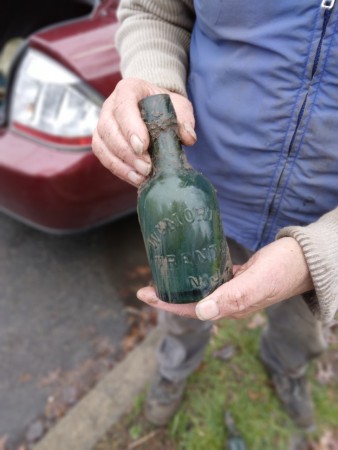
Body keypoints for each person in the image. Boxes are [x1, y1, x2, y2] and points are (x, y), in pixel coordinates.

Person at [92, 0, 338, 431]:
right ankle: (173, 371)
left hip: (319, 219)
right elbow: (154, 10)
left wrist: (321, 256)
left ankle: (286, 369)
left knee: (300, 329)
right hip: (210, 188)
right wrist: (154, 82)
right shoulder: (172, 191)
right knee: (182, 314)